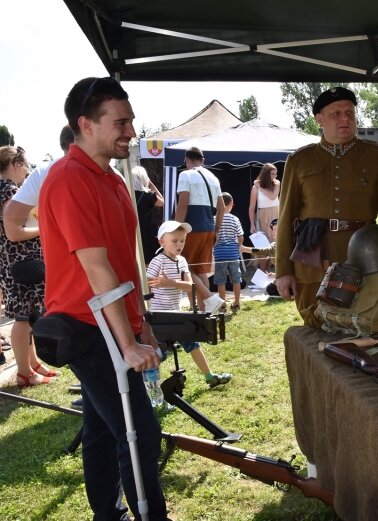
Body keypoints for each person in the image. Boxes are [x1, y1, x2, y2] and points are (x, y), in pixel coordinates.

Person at [38, 76, 169, 519]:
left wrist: (141, 321)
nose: (130, 132)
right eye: (121, 122)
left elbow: (125, 262)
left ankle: (106, 515)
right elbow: (97, 269)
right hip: (87, 327)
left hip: (114, 322)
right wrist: (128, 344)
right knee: (140, 434)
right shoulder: (68, 178)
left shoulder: (112, 179)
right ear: (86, 124)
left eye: (131, 121)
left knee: (100, 431)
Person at [276, 86, 378, 317]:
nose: (345, 118)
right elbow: (286, 219)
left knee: (360, 327)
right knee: (314, 329)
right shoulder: (299, 161)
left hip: (364, 262)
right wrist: (283, 271)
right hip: (312, 265)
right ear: (319, 119)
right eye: (336, 114)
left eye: (350, 113)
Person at [147, 220, 232, 388]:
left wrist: (170, 282)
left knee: (193, 344)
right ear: (161, 242)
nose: (179, 244)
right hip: (159, 317)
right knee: (158, 354)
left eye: (182, 240)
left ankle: (210, 377)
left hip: (177, 313)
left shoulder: (182, 261)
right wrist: (166, 283)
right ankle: (151, 390)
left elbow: (190, 286)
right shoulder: (158, 261)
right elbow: (148, 283)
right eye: (174, 240)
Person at [0, 145, 57, 387]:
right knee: (23, 318)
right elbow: (13, 233)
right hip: (20, 263)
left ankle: (31, 364)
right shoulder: (8, 191)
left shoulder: (5, 189)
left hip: (15, 262)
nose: (26, 171)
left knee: (29, 314)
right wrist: (45, 229)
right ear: (15, 164)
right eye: (24, 165)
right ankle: (25, 372)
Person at [174, 146, 225, 314]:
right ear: (203, 161)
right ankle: (205, 311)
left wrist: (175, 230)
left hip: (191, 228)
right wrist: (216, 230)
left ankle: (206, 302)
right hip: (209, 229)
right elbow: (222, 207)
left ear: (187, 160)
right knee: (201, 271)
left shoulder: (185, 174)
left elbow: (182, 204)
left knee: (186, 269)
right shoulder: (214, 178)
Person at [213, 192, 253, 312]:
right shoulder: (235, 219)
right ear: (231, 205)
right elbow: (240, 237)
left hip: (219, 253)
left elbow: (212, 237)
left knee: (221, 281)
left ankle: (223, 304)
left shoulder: (214, 219)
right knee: (236, 279)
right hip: (233, 254)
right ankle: (236, 302)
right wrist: (238, 246)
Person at [132, 165, 164, 264]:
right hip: (147, 235)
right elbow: (162, 202)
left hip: (132, 235)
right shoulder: (148, 196)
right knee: (149, 266)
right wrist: (150, 184)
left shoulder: (126, 193)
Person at [248, 162, 280, 239]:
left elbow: (272, 196)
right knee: (263, 242)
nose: (274, 176)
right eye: (272, 174)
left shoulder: (277, 183)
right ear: (266, 174)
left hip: (275, 213)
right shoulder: (255, 188)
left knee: (276, 240)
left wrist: (259, 186)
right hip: (262, 215)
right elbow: (252, 207)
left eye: (275, 174)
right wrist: (252, 224)